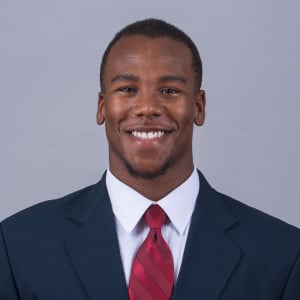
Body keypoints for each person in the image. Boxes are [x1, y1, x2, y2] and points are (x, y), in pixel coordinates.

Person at [1, 18, 300, 300]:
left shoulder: (282, 254)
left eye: (169, 90)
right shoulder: (18, 246)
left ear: (198, 107)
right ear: (102, 107)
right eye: (128, 89)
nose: (146, 107)